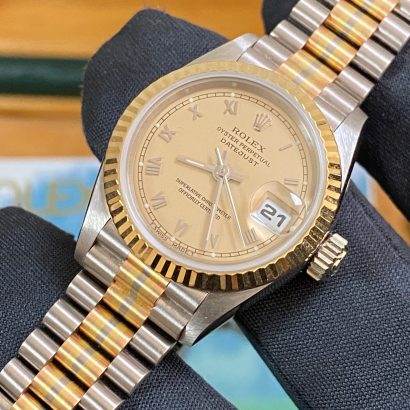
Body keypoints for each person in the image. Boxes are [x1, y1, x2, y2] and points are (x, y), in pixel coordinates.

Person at [1, 2, 409, 408]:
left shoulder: (329, 150)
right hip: (131, 234)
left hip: (192, 287)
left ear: (315, 246)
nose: (224, 172)